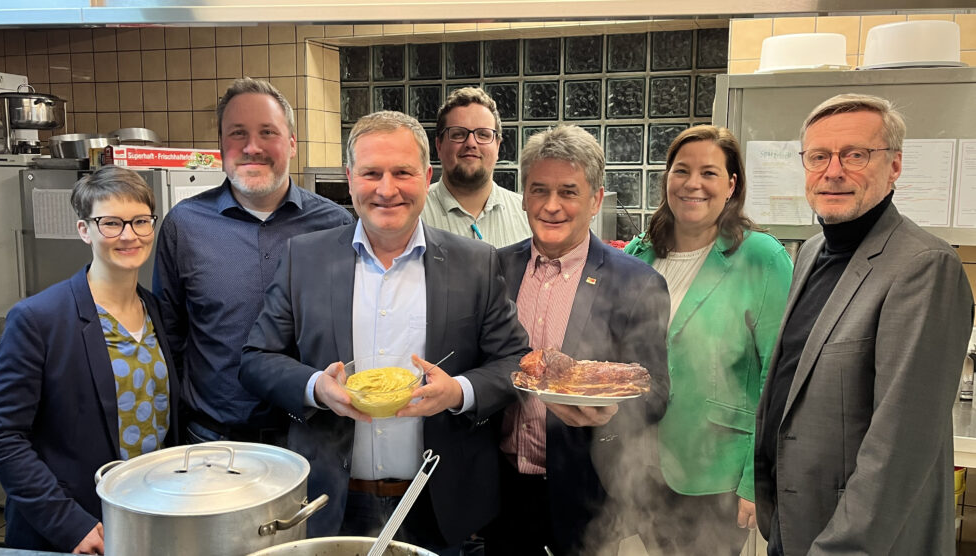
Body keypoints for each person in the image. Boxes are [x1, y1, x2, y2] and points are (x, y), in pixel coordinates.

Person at [238, 110, 531, 554]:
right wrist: (317, 387)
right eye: (372, 173)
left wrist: (459, 393)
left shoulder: (475, 263)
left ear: (426, 175)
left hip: (438, 502)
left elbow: (516, 363)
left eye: (403, 173)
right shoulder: (305, 259)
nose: (387, 189)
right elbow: (256, 359)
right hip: (330, 500)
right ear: (349, 177)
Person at [755, 94, 974, 555]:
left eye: (855, 155)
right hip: (794, 523)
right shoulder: (813, 250)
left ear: (893, 166)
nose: (833, 171)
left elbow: (899, 449)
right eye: (819, 156)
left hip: (858, 541)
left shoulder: (924, 266)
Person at [488, 125, 670, 555]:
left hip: (586, 491)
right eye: (539, 190)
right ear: (523, 197)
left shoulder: (636, 283)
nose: (552, 206)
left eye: (569, 191)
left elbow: (657, 393)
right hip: (500, 489)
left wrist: (610, 412)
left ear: (596, 200)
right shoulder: (494, 269)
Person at [0, 166, 180, 554]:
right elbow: (2, 436)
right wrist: (68, 524)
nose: (129, 235)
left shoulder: (156, 311)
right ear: (83, 230)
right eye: (111, 223)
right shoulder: (38, 319)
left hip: (146, 515)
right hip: (72, 530)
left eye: (140, 221)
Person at [153, 77, 353, 444]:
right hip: (212, 438)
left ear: (292, 143)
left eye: (267, 132)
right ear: (220, 145)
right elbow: (170, 333)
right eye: (237, 133)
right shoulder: (184, 225)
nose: (252, 147)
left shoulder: (336, 225)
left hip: (311, 437)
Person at [624, 125, 793, 555]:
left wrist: (756, 480)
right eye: (681, 170)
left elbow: (781, 378)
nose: (693, 184)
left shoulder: (762, 258)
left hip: (715, 469)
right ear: (667, 179)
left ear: (732, 184)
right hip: (637, 464)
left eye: (709, 173)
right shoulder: (638, 254)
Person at [421, 87, 530, 248]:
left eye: (483, 135)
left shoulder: (528, 216)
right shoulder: (414, 215)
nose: (471, 143)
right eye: (458, 134)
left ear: (498, 146)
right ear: (439, 146)